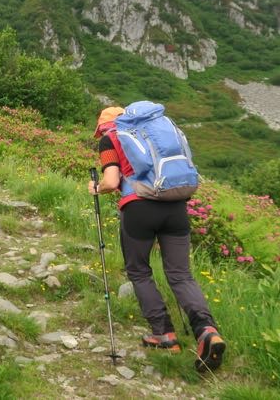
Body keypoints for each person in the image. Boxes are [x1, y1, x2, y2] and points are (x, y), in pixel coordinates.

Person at [87, 106, 227, 372]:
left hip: (139, 209)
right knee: (181, 275)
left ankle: (164, 334)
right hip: (175, 207)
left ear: (104, 125)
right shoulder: (155, 132)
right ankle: (207, 331)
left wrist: (96, 188)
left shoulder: (110, 138)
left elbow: (111, 180)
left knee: (139, 271)